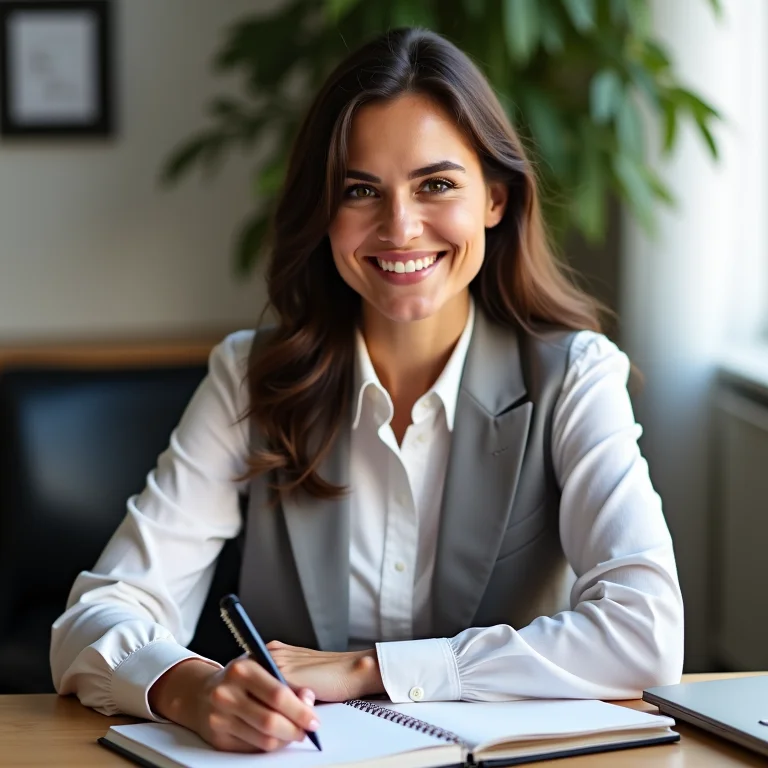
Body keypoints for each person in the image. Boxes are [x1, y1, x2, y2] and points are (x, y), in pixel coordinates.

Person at [50, 27, 684, 754]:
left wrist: (369, 669)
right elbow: (95, 616)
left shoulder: (576, 375)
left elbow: (647, 631)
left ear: (496, 199)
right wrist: (191, 687)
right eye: (360, 191)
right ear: (324, 213)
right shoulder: (252, 377)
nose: (400, 227)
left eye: (436, 184)